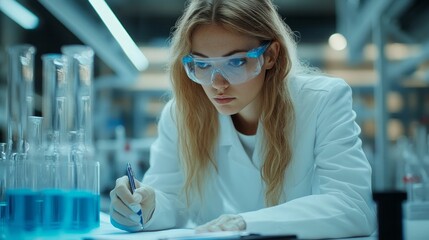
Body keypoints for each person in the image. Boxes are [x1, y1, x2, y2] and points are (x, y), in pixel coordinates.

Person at [109, 0, 376, 238]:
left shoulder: (323, 100)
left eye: (235, 62)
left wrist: (243, 223)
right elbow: (175, 199)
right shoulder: (181, 114)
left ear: (270, 56)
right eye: (202, 64)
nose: (217, 84)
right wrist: (145, 205)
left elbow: (353, 206)